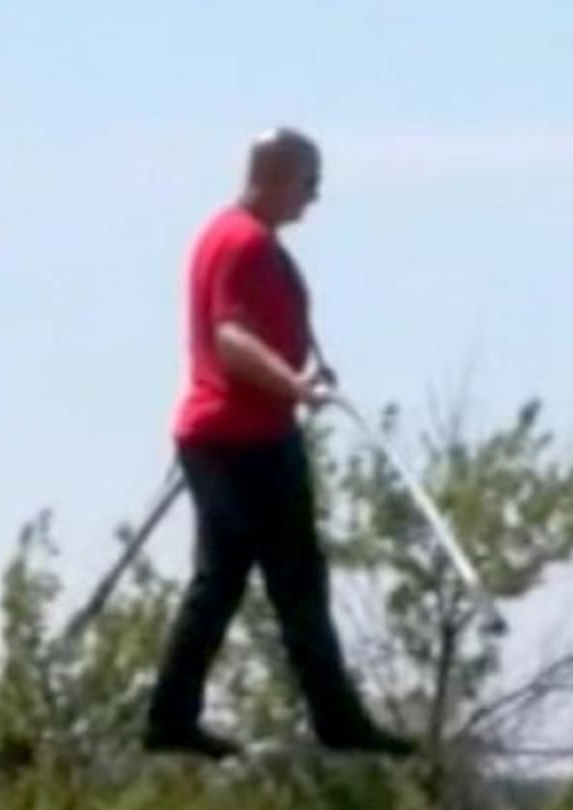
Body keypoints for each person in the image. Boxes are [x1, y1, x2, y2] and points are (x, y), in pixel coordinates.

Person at [142, 128, 416, 760]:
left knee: (251, 580)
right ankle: (328, 722)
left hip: (244, 434)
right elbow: (231, 339)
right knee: (272, 581)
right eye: (309, 181)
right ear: (276, 174)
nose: (314, 196)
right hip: (240, 438)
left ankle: (182, 717)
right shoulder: (243, 243)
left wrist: (301, 374)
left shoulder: (243, 239)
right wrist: (293, 385)